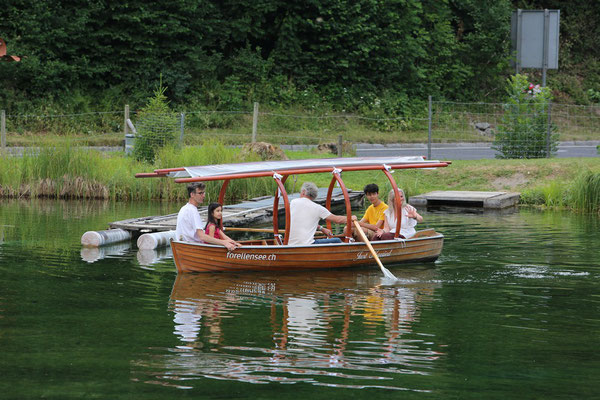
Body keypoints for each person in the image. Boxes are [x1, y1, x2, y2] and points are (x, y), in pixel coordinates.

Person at [175, 183, 240, 251]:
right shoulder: (193, 211)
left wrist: (229, 241)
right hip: (193, 248)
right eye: (200, 193)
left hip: (183, 246)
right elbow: (202, 236)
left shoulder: (184, 208)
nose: (203, 196)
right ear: (192, 195)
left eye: (204, 193)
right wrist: (224, 242)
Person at [288, 182, 357, 245]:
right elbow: (337, 220)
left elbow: (304, 220)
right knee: (337, 240)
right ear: (314, 196)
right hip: (307, 244)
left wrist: (321, 228)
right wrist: (350, 218)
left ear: (303, 192)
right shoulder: (317, 208)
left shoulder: (293, 202)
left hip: (290, 244)